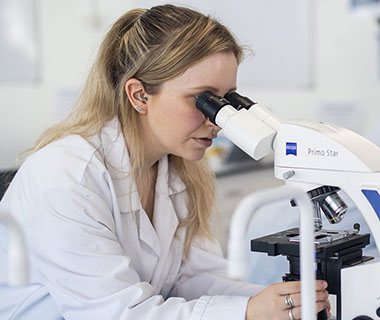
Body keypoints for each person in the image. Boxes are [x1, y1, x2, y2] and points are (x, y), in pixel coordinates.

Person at [0, 4, 330, 320]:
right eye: (204, 99)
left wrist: (275, 304)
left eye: (227, 99)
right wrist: (246, 313)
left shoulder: (177, 170)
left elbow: (193, 279)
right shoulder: (67, 177)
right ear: (140, 95)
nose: (217, 121)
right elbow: (117, 314)